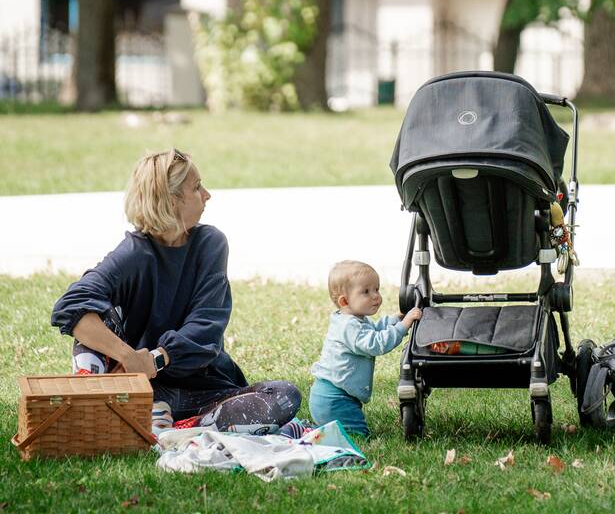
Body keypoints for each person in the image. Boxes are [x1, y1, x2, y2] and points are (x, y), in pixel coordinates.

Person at [51, 149, 301, 434]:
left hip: (205, 392)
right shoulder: (134, 253)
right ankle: (98, 399)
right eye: (196, 188)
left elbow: (206, 328)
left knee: (284, 396)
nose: (207, 194)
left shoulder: (210, 243)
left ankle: (182, 426)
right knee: (94, 310)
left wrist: (155, 358)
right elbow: (72, 304)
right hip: (144, 391)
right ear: (172, 201)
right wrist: (128, 357)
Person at [309, 260, 421, 437]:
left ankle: (317, 431)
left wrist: (396, 319)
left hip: (336, 394)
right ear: (345, 301)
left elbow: (374, 329)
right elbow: (376, 343)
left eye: (376, 289)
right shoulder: (349, 327)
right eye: (366, 292)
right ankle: (315, 433)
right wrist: (404, 325)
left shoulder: (354, 319)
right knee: (358, 435)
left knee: (339, 432)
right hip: (335, 398)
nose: (375, 296)